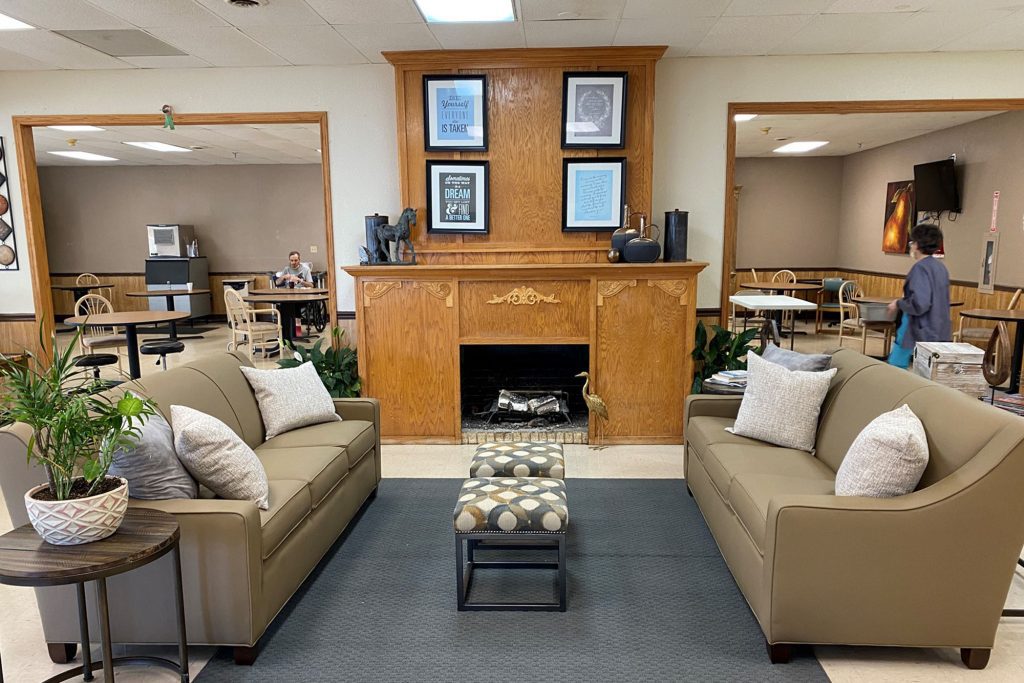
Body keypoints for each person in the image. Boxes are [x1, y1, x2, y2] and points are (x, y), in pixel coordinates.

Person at [886, 223, 951, 368]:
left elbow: (920, 303)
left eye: (912, 242)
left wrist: (898, 303)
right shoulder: (941, 268)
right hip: (939, 328)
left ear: (916, 245)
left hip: (918, 326)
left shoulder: (920, 268)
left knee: (896, 368)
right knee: (928, 373)